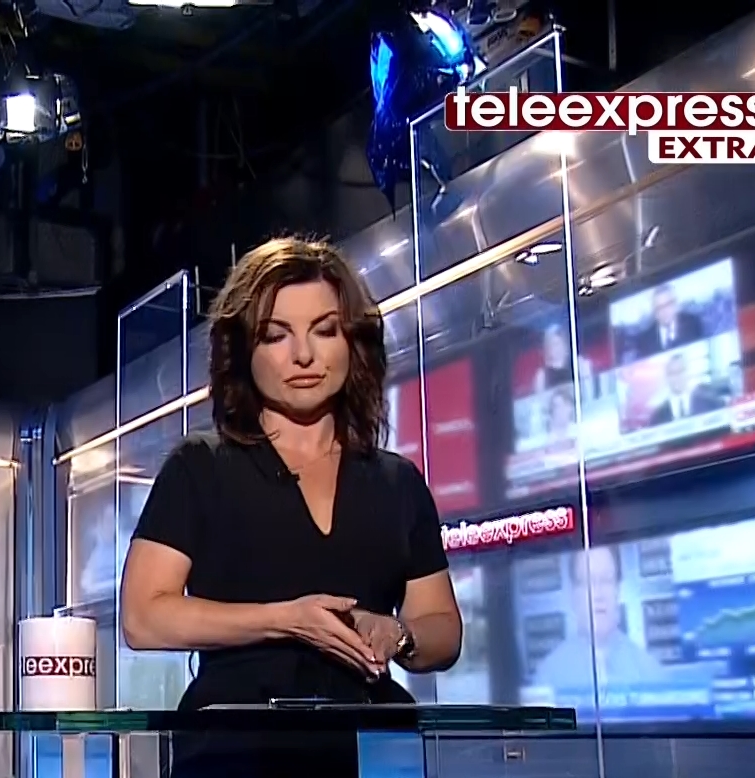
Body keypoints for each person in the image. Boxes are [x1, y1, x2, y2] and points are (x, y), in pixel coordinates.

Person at [120, 236, 464, 708]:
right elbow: (143, 618)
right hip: (236, 740)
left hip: (369, 740)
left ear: (352, 342)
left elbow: (444, 628)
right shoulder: (199, 468)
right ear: (243, 351)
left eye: (325, 330)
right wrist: (285, 621)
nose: (303, 355)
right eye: (275, 336)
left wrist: (399, 634)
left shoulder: (397, 482)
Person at [529, 546, 669, 706]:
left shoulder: (651, 672)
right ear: (573, 594)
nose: (598, 594)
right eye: (587, 582)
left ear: (618, 589)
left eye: (606, 581)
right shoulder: (548, 676)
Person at [646, 351, 729, 425]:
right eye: (672, 373)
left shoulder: (710, 402)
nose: (677, 377)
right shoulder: (658, 416)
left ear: (688, 373)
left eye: (681, 371)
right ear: (666, 378)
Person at [630, 285, 706, 359]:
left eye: (668, 304)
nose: (665, 311)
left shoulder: (693, 323)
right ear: (654, 311)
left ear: (675, 304)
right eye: (659, 307)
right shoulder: (645, 340)